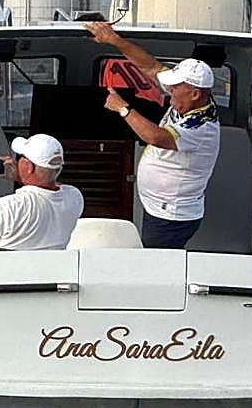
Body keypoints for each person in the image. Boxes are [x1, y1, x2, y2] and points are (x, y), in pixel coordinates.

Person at [86, 22, 220, 249]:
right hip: (160, 208)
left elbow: (157, 137)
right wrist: (114, 40)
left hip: (170, 216)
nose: (169, 91)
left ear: (195, 93)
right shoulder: (188, 100)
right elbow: (151, 67)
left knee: (159, 266)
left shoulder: (201, 125)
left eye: (175, 88)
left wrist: (122, 107)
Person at [0, 136, 84, 251]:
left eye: (20, 158)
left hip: (6, 278)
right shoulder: (74, 198)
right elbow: (50, 185)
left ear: (29, 166)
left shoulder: (11, 206)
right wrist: (23, 177)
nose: (16, 160)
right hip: (46, 278)